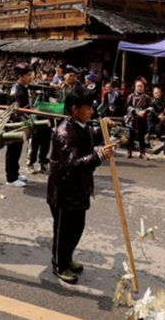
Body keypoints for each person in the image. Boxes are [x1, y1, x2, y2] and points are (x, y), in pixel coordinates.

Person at [47, 86, 115, 284]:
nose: (92, 112)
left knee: (77, 228)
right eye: (88, 108)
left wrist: (103, 136)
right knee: (63, 231)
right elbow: (71, 163)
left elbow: (87, 145)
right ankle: (59, 264)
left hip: (80, 188)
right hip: (64, 190)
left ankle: (67, 258)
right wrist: (99, 155)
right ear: (75, 109)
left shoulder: (81, 126)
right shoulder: (63, 132)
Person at [4, 63, 32, 187]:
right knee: (13, 151)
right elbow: (15, 111)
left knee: (17, 150)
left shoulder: (23, 88)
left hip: (21, 123)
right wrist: (26, 119)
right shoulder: (15, 91)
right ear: (20, 76)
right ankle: (10, 178)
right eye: (28, 75)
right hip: (15, 125)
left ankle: (15, 173)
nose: (30, 78)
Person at [125, 80, 151, 159]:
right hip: (132, 118)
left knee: (141, 136)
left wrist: (144, 111)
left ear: (144, 88)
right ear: (135, 87)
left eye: (141, 86)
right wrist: (135, 111)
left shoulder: (147, 97)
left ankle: (142, 153)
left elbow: (151, 107)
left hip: (142, 118)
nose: (139, 88)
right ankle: (129, 151)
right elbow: (127, 106)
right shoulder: (131, 96)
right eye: (138, 86)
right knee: (131, 136)